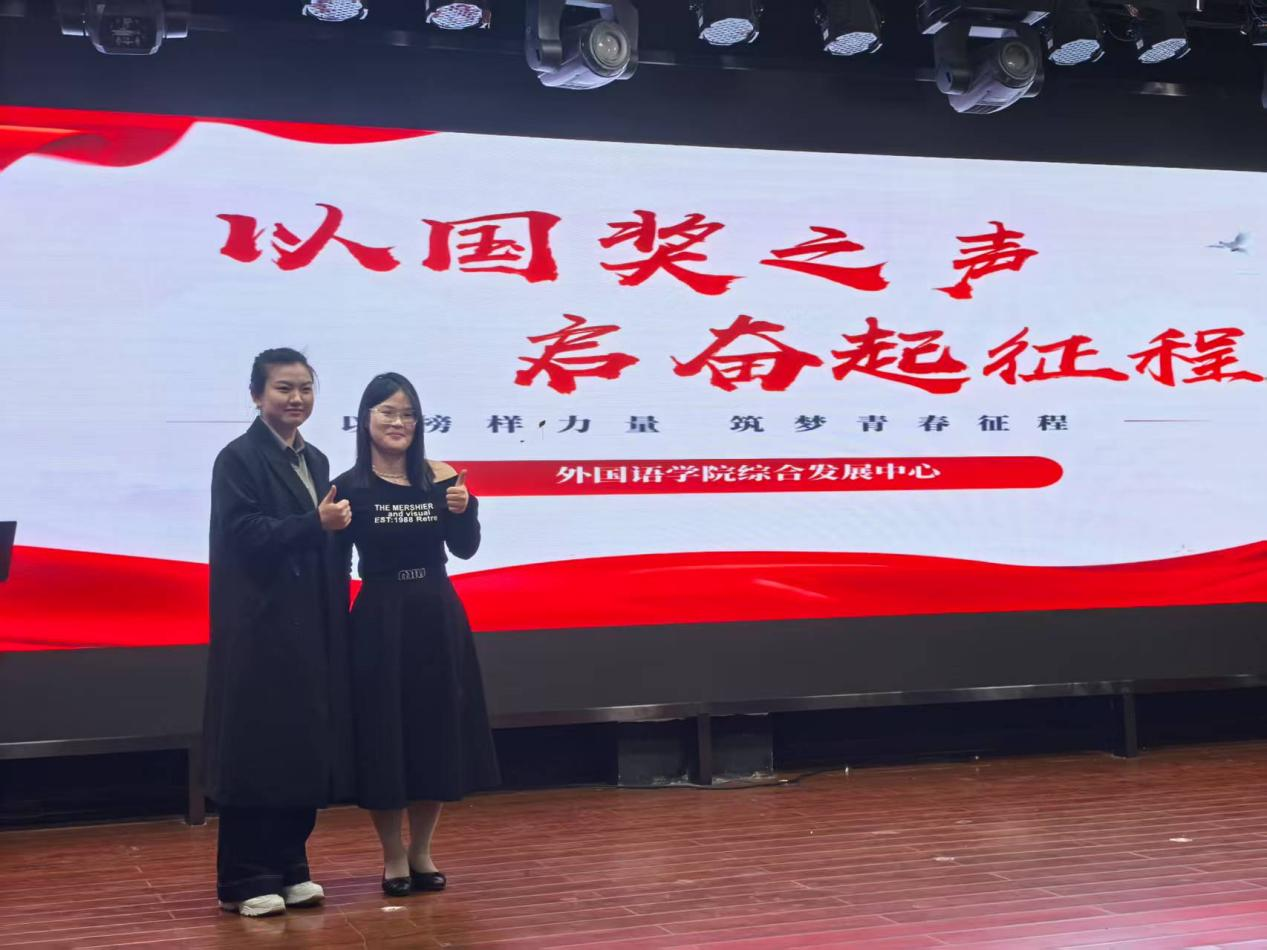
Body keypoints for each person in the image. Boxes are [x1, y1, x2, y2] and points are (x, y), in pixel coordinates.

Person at [332, 372, 500, 897]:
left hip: (434, 612)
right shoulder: (348, 486)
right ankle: (392, 856)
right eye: (387, 411)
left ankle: (422, 850)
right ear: (365, 419)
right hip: (379, 617)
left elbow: (465, 548)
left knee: (434, 732)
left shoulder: (441, 477)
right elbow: (335, 563)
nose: (398, 422)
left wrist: (466, 510)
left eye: (407, 414)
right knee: (385, 735)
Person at [203, 348, 355, 917]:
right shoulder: (237, 458)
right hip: (259, 627)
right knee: (257, 750)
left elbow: (325, 541)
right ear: (256, 395)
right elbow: (245, 535)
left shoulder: (316, 458)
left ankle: (291, 867)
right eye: (283, 388)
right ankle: (244, 879)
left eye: (305, 388)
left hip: (309, 625)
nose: (296, 398)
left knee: (301, 747)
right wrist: (314, 523)